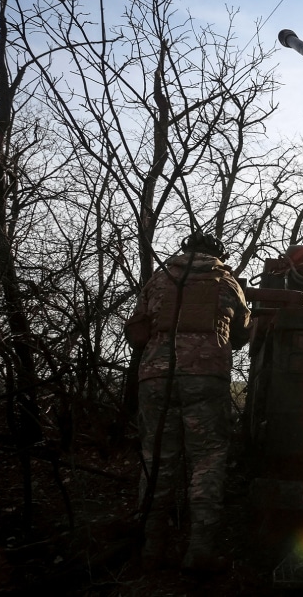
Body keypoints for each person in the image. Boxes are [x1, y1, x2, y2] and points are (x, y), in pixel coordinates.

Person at [124, 231, 251, 571]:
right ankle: (199, 552)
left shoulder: (159, 279)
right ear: (217, 253)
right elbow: (243, 332)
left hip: (155, 378)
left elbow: (137, 328)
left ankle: (151, 549)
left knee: (156, 460)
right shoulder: (227, 281)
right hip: (206, 377)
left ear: (185, 250)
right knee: (207, 460)